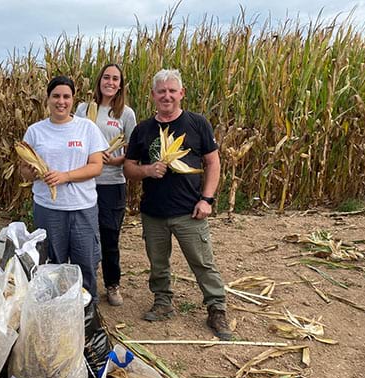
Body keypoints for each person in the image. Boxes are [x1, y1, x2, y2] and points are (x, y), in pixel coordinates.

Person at [123, 69, 232, 340]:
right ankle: (163, 302)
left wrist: (207, 199)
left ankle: (216, 308)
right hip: (154, 212)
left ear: (181, 93)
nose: (167, 96)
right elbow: (128, 168)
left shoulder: (197, 124)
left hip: (190, 211)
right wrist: (147, 171)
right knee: (157, 262)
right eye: (161, 91)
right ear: (153, 96)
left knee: (202, 262)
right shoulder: (143, 130)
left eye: (172, 91)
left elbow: (212, 162)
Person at [19, 75, 108, 303]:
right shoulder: (35, 131)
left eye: (66, 96)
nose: (61, 101)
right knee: (51, 265)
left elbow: (96, 166)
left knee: (85, 264)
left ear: (73, 99)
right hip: (48, 208)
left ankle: (88, 311)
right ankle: (54, 310)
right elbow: (24, 173)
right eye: (56, 96)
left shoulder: (87, 128)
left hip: (82, 208)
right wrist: (33, 170)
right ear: (47, 99)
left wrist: (65, 176)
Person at [74, 64, 136, 307]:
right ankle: (83, 285)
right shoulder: (83, 109)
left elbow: (133, 149)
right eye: (106, 77)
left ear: (120, 84)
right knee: (84, 237)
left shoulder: (125, 114)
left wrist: (117, 159)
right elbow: (75, 139)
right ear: (99, 80)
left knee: (110, 236)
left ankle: (112, 284)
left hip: (111, 182)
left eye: (115, 79)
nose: (110, 82)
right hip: (85, 182)